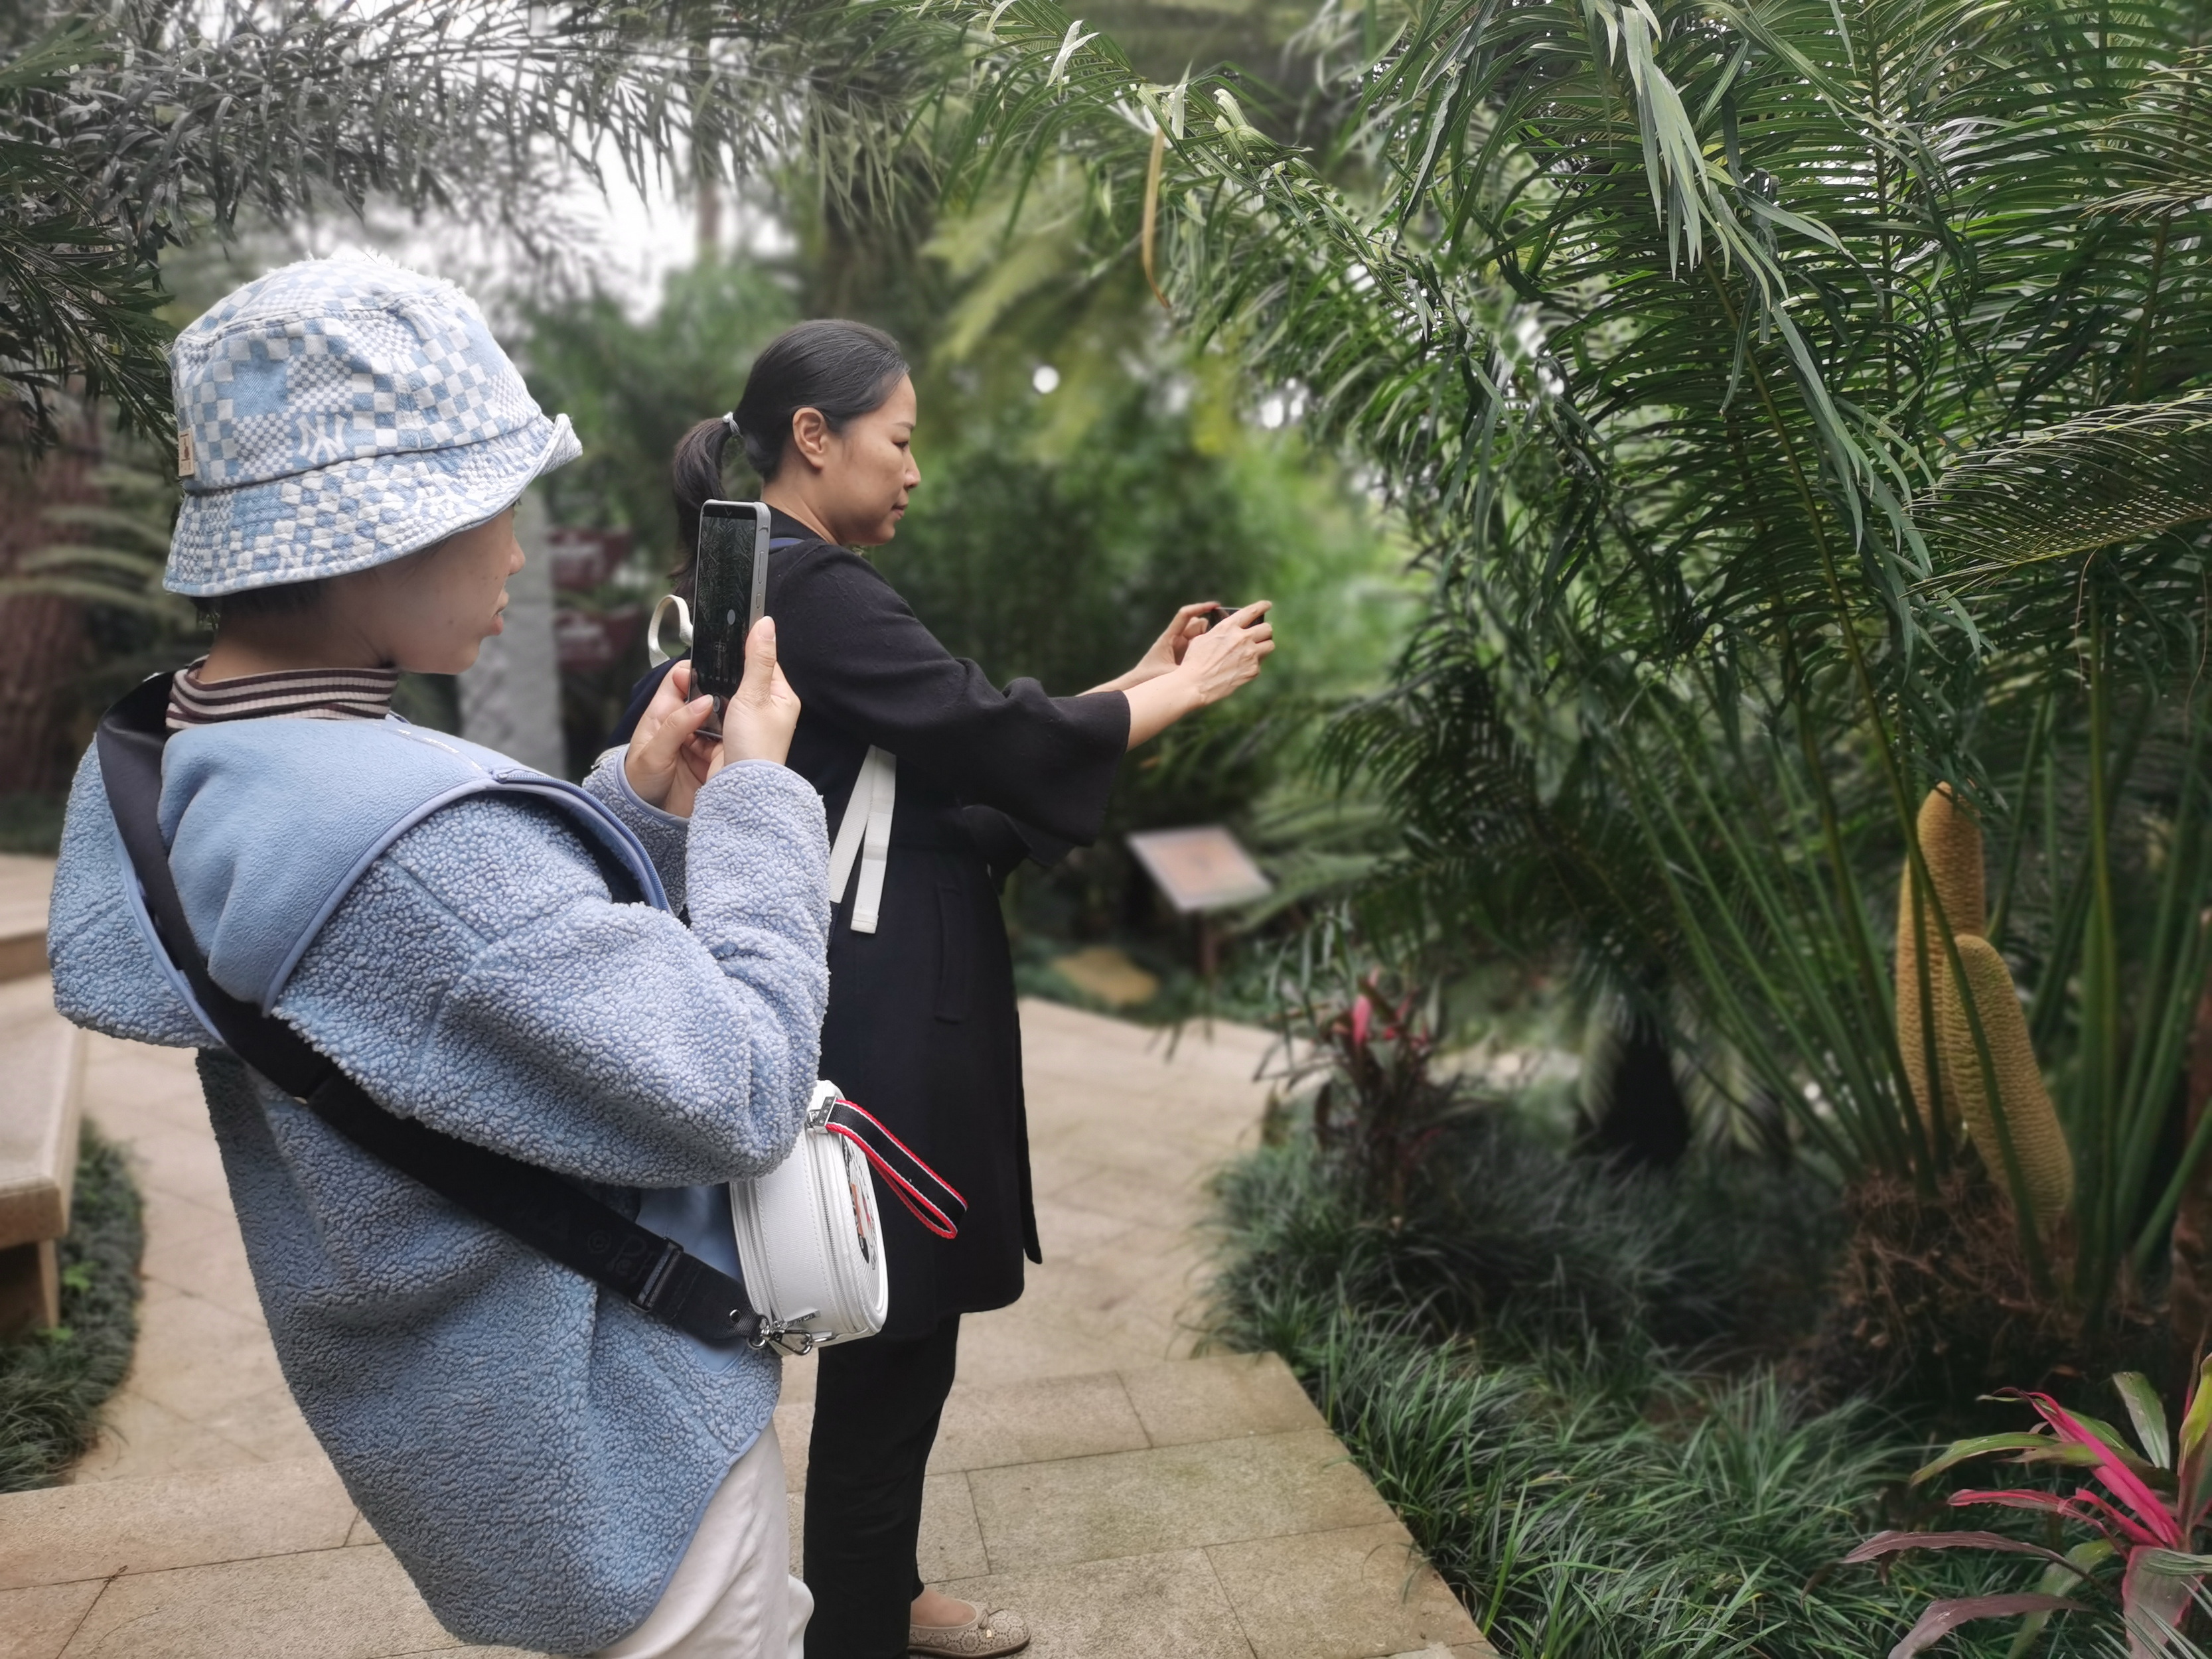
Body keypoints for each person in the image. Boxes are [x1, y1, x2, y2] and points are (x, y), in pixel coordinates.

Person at [46, 253, 830, 1659]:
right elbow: (741, 1087)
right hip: (627, 1468)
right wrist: (762, 799)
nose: (517, 553)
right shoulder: (423, 853)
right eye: (497, 510)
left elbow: (437, 1002)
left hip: (482, 1440)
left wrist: (634, 807)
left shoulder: (207, 757)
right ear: (379, 536)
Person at [612, 319, 1274, 1659]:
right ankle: (856, 1620)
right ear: (817, 435)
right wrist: (1179, 695)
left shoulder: (776, 577)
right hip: (885, 998)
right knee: (896, 1315)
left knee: (892, 1312)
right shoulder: (822, 586)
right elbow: (983, 733)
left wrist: (1133, 686)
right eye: (899, 438)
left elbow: (948, 740)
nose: (914, 470)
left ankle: (880, 1580)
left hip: (864, 964)